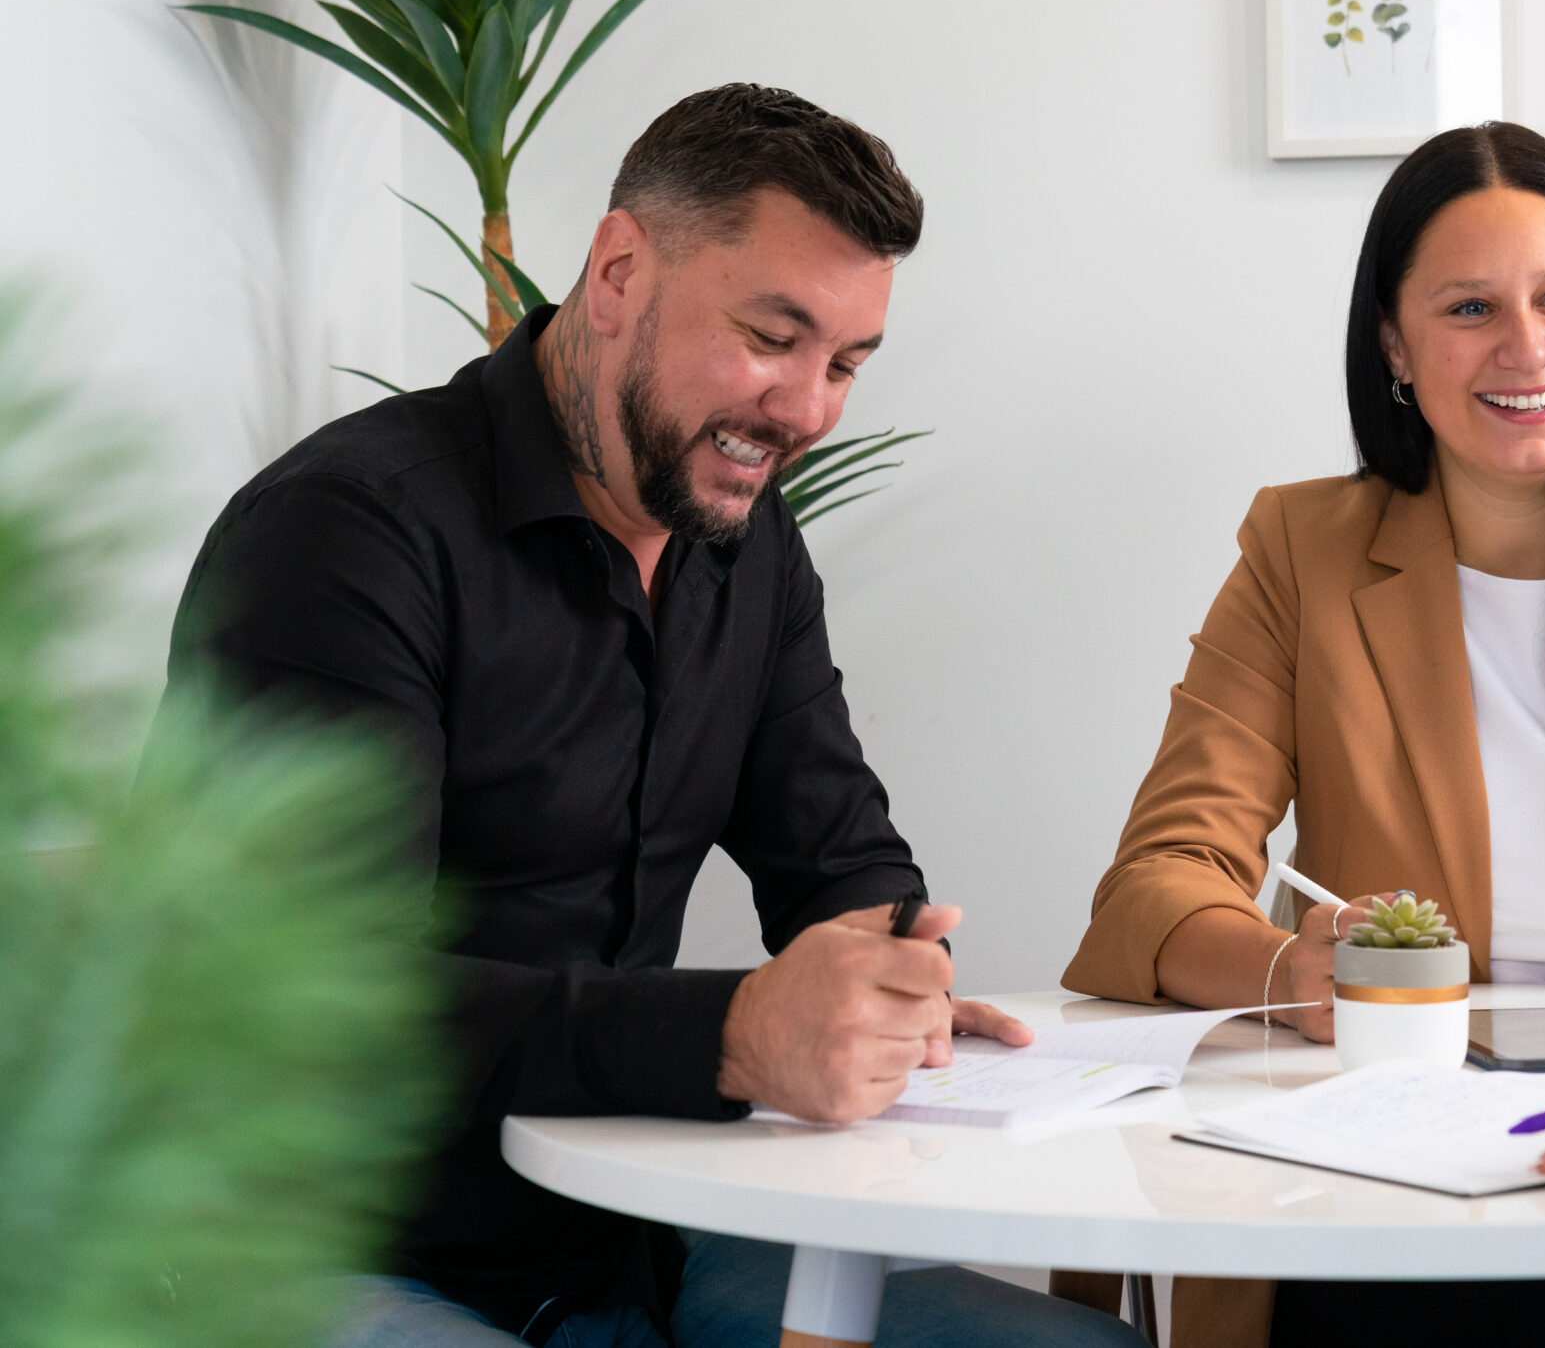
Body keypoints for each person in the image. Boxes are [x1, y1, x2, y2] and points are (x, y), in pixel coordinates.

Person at [167, 85, 1143, 1348]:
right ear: (619, 272)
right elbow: (317, 1004)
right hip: (326, 1247)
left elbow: (833, 850)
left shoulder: (747, 546)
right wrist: (733, 1036)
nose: (807, 410)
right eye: (772, 337)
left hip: (626, 1229)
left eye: (845, 364)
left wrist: (887, 970)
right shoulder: (347, 535)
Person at [1062, 121, 1545, 1346]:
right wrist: (1287, 972)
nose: (1525, 347)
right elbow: (1155, 886)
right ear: (1393, 343)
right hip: (1375, 1180)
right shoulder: (1300, 554)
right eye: (1470, 308)